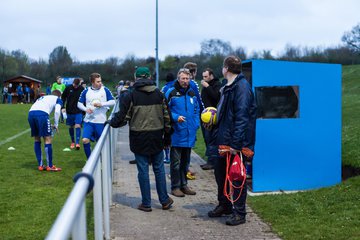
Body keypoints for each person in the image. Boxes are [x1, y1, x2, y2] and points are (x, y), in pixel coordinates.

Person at [108, 67, 174, 212]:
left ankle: (146, 203)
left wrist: (111, 122)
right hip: (157, 136)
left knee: (143, 170)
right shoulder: (159, 94)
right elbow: (167, 117)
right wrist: (168, 137)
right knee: (159, 169)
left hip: (139, 137)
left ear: (136, 78)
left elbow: (122, 118)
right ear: (149, 77)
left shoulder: (130, 95)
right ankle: (164, 200)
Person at [207, 55, 257, 226]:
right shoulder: (227, 86)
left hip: (236, 144)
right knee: (220, 175)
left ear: (226, 68)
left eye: (223, 67)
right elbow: (225, 115)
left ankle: (239, 213)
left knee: (236, 177)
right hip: (223, 140)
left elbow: (242, 118)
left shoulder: (242, 87)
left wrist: (236, 146)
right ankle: (225, 205)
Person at [165, 68, 200, 197]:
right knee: (175, 163)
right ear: (178, 79)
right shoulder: (171, 92)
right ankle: (175, 187)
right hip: (177, 133)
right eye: (183, 78)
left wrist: (196, 124)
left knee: (186, 162)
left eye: (187, 78)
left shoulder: (192, 93)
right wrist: (175, 117)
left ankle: (184, 185)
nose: (185, 81)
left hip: (189, 133)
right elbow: (165, 110)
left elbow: (196, 110)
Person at [77, 73, 115, 159]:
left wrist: (102, 104)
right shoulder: (86, 91)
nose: (100, 83)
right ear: (92, 82)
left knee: (100, 144)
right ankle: (89, 160)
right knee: (85, 140)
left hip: (100, 122)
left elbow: (113, 102)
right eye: (98, 81)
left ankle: (101, 161)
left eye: (100, 81)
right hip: (88, 121)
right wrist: (86, 109)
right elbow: (79, 104)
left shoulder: (105, 90)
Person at [28, 90, 63, 171]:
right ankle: (50, 166)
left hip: (30, 114)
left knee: (37, 138)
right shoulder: (58, 99)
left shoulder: (43, 97)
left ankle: (40, 165)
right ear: (59, 96)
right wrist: (56, 124)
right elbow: (57, 111)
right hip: (42, 114)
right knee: (47, 139)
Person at [200, 68, 221, 170]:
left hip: (213, 117)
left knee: (212, 139)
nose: (204, 79)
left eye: (206, 76)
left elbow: (216, 96)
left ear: (211, 75)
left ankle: (212, 162)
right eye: (203, 76)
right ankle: (210, 160)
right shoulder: (205, 85)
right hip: (205, 116)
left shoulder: (217, 84)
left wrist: (207, 87)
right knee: (207, 138)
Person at [61, 78, 85, 150]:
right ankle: (73, 141)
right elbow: (63, 97)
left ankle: (77, 143)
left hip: (78, 111)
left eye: (76, 85)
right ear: (73, 83)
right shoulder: (68, 88)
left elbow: (85, 99)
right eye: (74, 85)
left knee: (78, 126)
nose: (75, 86)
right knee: (71, 126)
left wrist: (84, 110)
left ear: (79, 84)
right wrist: (63, 107)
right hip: (69, 111)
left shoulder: (82, 89)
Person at [161, 73, 175, 164]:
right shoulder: (177, 86)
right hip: (178, 116)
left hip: (169, 115)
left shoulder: (165, 88)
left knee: (167, 138)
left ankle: (167, 157)